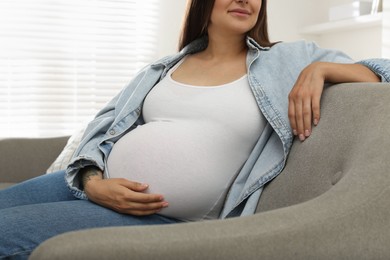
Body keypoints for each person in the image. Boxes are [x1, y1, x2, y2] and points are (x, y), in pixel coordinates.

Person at [1, 0, 389, 258]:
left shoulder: (287, 59)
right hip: (88, 187)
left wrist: (321, 69)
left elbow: (385, 70)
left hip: (158, 216)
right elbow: (104, 131)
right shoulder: (162, 68)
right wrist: (91, 180)